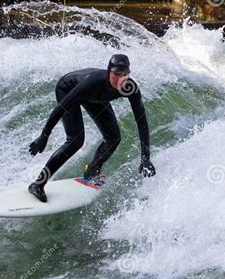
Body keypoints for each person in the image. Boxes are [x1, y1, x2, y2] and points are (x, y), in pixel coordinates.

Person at [28, 54, 156, 202]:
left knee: (113, 138)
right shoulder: (92, 83)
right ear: (109, 72)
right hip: (68, 89)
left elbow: (141, 122)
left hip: (95, 97)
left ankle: (92, 171)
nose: (120, 79)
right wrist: (44, 135)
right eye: (116, 74)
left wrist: (146, 157)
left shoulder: (129, 88)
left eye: (124, 75)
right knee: (75, 140)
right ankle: (37, 184)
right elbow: (61, 108)